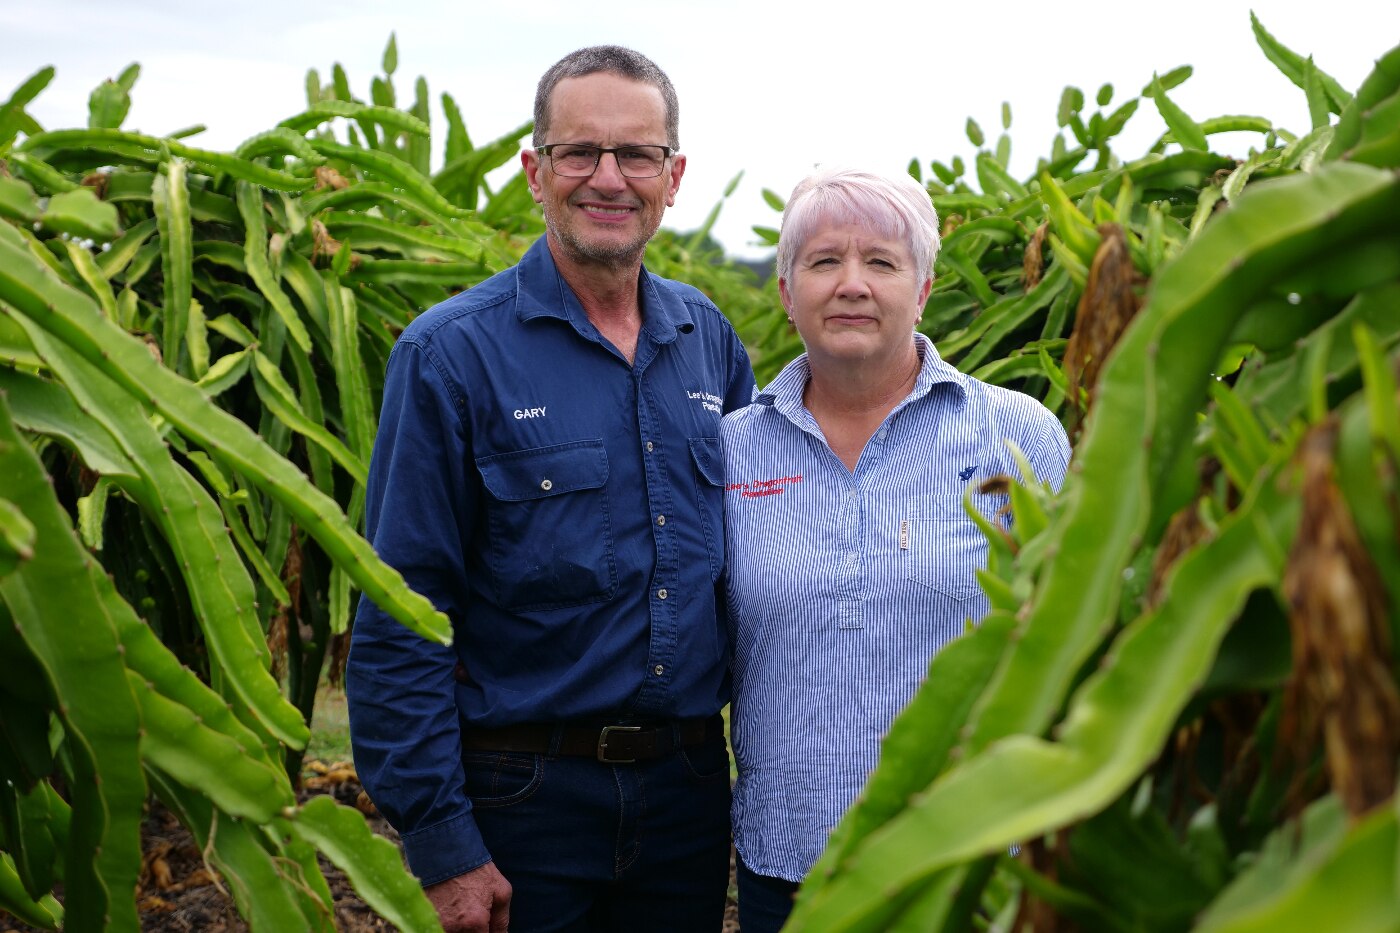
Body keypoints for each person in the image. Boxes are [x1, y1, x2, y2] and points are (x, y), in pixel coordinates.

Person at [346, 45, 755, 933]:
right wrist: (441, 838)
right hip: (521, 794)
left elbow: (756, 556)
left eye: (636, 155)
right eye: (580, 153)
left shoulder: (710, 341)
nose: (608, 178)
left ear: (673, 176)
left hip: (687, 791)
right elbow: (401, 605)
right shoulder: (451, 353)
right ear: (536, 172)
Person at [721, 166, 1071, 931]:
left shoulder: (1019, 435)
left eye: (881, 261)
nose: (852, 284)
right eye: (822, 262)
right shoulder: (728, 452)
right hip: (792, 864)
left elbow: (1071, 632)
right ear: (786, 291)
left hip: (974, 855)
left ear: (922, 287)